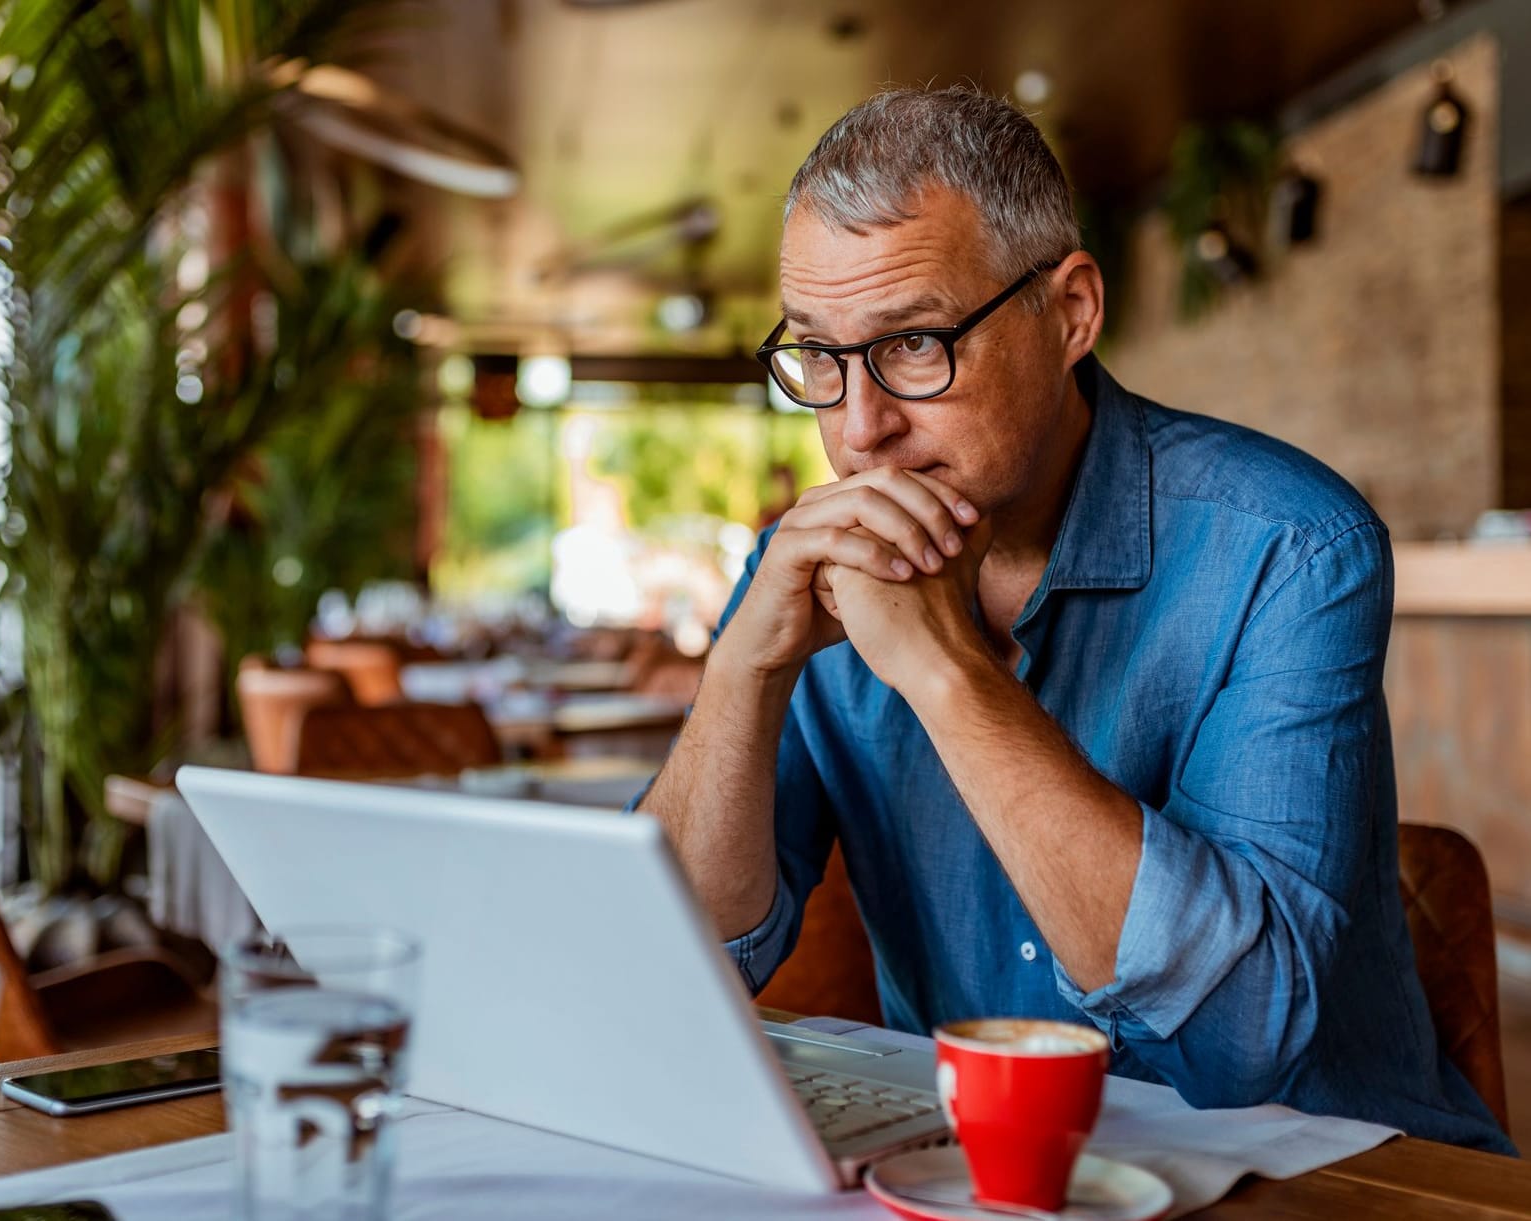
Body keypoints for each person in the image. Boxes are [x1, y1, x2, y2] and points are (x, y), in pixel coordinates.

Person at [636, 86, 1510, 1152]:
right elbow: (670, 974)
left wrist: (949, 675)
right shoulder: (811, 568)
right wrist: (742, 671)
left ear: (1072, 313)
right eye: (819, 355)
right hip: (985, 1172)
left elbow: (1241, 1045)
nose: (860, 428)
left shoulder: (1288, 546)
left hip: (1318, 1179)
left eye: (914, 343)